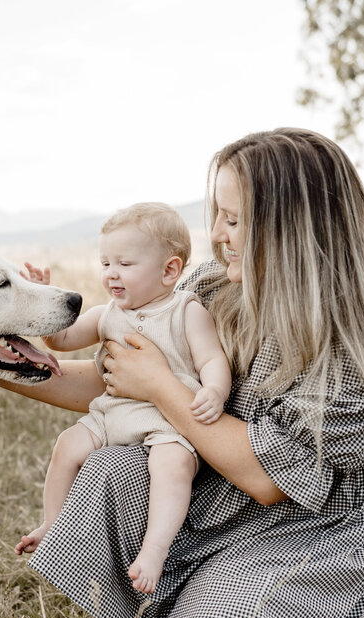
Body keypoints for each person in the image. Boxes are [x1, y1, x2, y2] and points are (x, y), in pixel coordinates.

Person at [3, 128, 364, 618]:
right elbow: (116, 383)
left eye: (236, 219)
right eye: (216, 214)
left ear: (295, 229)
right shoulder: (213, 286)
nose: (217, 234)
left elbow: (269, 478)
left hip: (319, 523)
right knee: (113, 467)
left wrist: (159, 384)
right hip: (222, 486)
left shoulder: (357, 342)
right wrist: (8, 365)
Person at [15, 202, 230, 594]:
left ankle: (154, 550)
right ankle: (52, 522)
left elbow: (212, 358)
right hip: (113, 412)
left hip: (167, 418)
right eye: (105, 263)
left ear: (170, 271)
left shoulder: (186, 311)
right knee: (68, 444)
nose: (111, 273)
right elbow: (61, 340)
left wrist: (215, 390)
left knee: (173, 466)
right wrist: (44, 296)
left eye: (125, 264)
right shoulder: (106, 314)